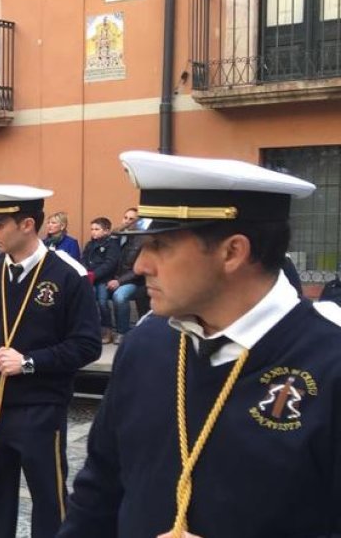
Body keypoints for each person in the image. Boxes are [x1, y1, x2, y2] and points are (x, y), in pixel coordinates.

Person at [60, 151, 341, 538]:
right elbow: (99, 492)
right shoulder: (147, 343)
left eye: (159, 245)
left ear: (232, 252)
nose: (141, 266)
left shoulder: (330, 363)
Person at [0, 184, 100, 538]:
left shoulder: (67, 275)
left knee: (49, 501)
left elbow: (87, 344)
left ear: (27, 224)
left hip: (40, 408)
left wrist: (30, 361)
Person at [81, 217, 121, 344]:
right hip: (90, 278)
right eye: (92, 229)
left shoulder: (112, 245)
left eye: (97, 229)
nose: (93, 232)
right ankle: (92, 330)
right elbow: (84, 259)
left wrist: (94, 274)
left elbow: (110, 264)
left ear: (107, 231)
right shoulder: (89, 244)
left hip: (104, 279)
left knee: (103, 303)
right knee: (90, 302)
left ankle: (107, 330)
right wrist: (85, 271)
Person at [106, 208, 144, 341]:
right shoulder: (118, 237)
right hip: (112, 279)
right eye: (125, 217)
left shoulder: (142, 240)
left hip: (134, 282)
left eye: (131, 219)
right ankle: (106, 330)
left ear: (139, 222)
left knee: (120, 296)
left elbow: (139, 269)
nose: (127, 221)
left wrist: (119, 281)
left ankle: (122, 332)